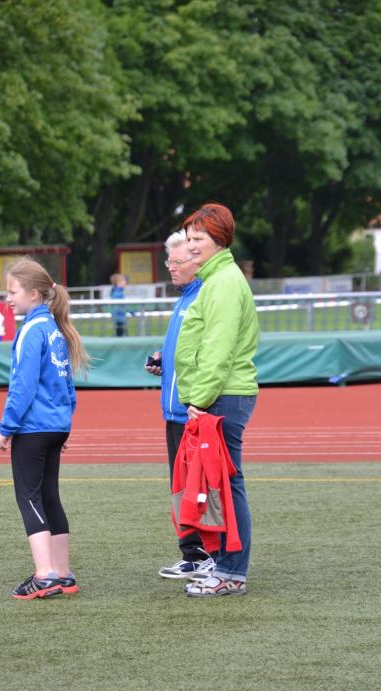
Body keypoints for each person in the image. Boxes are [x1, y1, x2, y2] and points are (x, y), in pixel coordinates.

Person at [174, 203, 260, 598]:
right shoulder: (218, 278)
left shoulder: (223, 282)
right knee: (222, 486)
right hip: (219, 395)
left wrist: (200, 398)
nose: (191, 245)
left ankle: (231, 572)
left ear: (219, 240)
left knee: (227, 486)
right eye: (189, 238)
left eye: (199, 238)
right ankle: (226, 567)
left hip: (222, 397)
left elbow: (218, 350)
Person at [0, 257, 88, 600]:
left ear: (33, 294)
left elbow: (23, 385)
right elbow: (66, 385)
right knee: (50, 496)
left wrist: (6, 427)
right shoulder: (54, 329)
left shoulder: (32, 331)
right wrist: (64, 423)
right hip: (55, 426)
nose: (8, 298)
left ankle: (45, 575)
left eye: (12, 291)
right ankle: (63, 573)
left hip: (33, 428)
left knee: (29, 496)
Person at [145, 231, 216, 580]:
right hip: (175, 410)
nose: (170, 267)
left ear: (195, 261)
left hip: (192, 411)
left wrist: (197, 401)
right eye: (168, 261)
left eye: (176, 261)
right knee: (182, 489)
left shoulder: (204, 296)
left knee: (201, 488)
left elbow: (212, 354)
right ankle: (193, 554)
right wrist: (163, 358)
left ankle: (211, 554)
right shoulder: (186, 298)